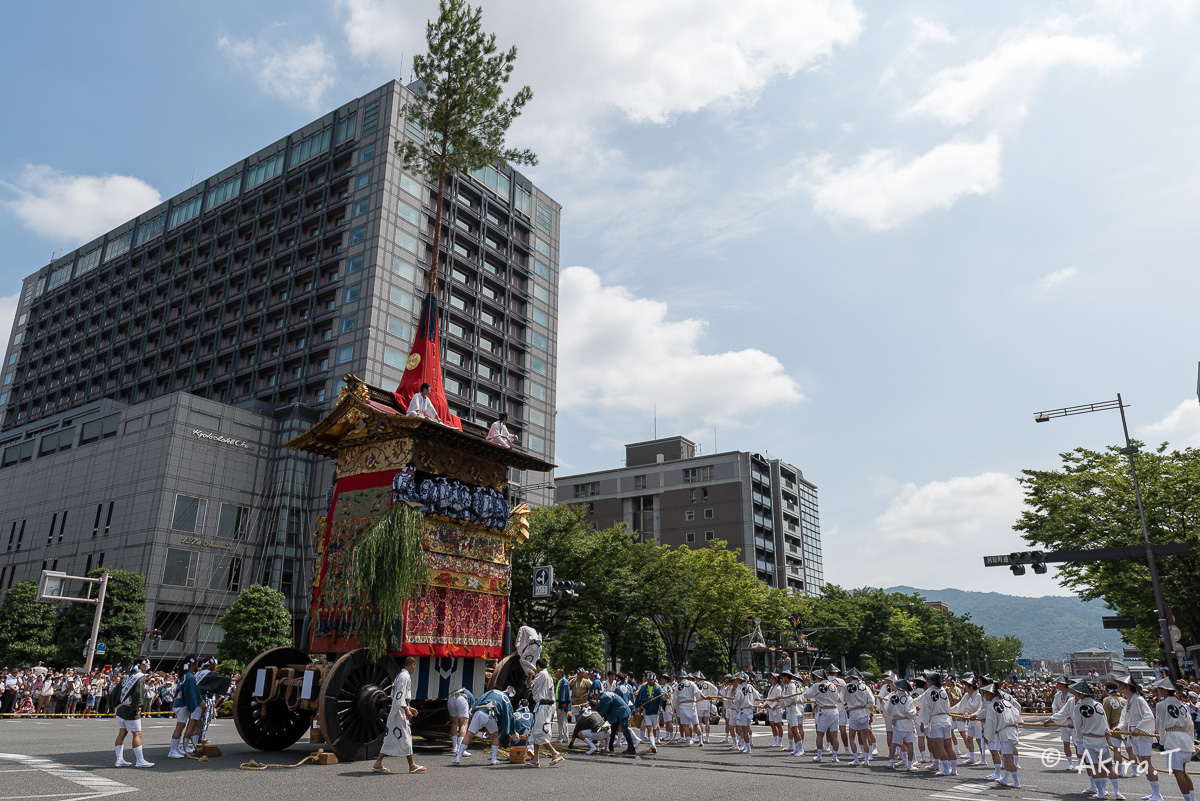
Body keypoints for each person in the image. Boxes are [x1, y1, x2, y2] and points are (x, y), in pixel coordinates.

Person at [372, 656, 425, 774]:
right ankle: (412, 765)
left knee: (391, 737)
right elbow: (399, 697)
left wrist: (409, 707)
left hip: (396, 711)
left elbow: (397, 697)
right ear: (413, 665)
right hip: (399, 713)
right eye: (414, 667)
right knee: (406, 736)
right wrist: (406, 710)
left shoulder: (400, 676)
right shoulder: (405, 677)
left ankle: (378, 763)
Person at [1113, 675, 1160, 800]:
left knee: (1146, 762)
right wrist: (1120, 727)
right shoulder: (1128, 701)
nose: (1118, 687)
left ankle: (1157, 794)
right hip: (1134, 732)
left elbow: (1149, 716)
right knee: (1143, 763)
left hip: (1141, 733)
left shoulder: (1139, 700)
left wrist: (1138, 728)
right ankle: (1154, 792)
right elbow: (1124, 718)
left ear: (1127, 686)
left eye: (1120, 685)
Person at [1152, 678, 1196, 801]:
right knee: (1183, 770)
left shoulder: (1161, 705)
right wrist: (1191, 741)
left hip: (1172, 737)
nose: (1158, 691)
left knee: (1178, 772)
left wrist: (1161, 741)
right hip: (1185, 737)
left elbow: (1160, 724)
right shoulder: (1181, 704)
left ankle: (1188, 799)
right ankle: (1192, 798)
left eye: (1160, 689)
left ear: (1165, 691)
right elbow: (1190, 724)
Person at [454, 688, 515, 766]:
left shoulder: (492, 691)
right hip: (491, 715)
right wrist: (511, 731)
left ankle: (458, 758)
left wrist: (473, 709)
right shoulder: (507, 700)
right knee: (495, 737)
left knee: (468, 735)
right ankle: (493, 759)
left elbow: (480, 699)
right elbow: (509, 717)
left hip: (479, 712)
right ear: (510, 696)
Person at [113, 658, 154, 768]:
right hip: (130, 709)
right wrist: (138, 706)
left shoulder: (127, 675)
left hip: (120, 708)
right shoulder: (139, 676)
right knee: (137, 734)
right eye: (146, 665)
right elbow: (138, 693)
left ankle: (119, 760)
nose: (147, 667)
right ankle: (140, 760)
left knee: (122, 733)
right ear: (141, 665)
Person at [979, 682, 1022, 788]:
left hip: (1004, 733)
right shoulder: (1006, 702)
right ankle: (1005, 778)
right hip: (1011, 730)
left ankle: (1016, 781)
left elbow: (990, 723)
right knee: (1007, 757)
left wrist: (987, 736)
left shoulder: (991, 705)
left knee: (1008, 757)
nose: (985, 696)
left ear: (990, 694)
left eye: (985, 693)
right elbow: (1016, 712)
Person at [527, 659, 564, 767]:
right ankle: (536, 759)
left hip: (544, 705)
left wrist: (530, 677)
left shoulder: (542, 675)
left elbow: (533, 688)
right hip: (544, 706)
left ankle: (554, 752)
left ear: (538, 666)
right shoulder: (547, 675)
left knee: (539, 732)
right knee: (535, 732)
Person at [802, 668, 841, 762]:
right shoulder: (832, 685)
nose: (815, 678)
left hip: (824, 711)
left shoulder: (817, 685)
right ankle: (835, 757)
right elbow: (837, 698)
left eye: (815, 677)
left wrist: (806, 685)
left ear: (819, 677)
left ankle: (819, 756)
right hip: (834, 711)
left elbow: (806, 694)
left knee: (820, 734)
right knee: (835, 735)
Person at [168, 657, 201, 759]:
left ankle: (176, 748)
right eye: (196, 663)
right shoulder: (189, 676)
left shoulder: (186, 675)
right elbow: (190, 693)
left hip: (180, 703)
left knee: (181, 726)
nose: (197, 664)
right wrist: (195, 705)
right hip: (181, 704)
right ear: (192, 664)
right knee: (180, 726)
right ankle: (172, 750)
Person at [844, 668, 877, 767]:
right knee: (865, 737)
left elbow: (843, 699)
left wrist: (851, 704)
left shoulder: (847, 687)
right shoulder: (865, 686)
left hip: (854, 713)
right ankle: (867, 759)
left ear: (850, 677)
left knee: (851, 737)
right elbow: (871, 701)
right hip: (864, 713)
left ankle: (855, 759)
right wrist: (864, 706)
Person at [592, 689, 637, 755]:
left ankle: (631, 747)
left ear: (598, 694)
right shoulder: (605, 695)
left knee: (625, 730)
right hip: (619, 712)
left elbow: (604, 711)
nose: (595, 697)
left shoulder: (604, 697)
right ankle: (610, 746)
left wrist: (596, 713)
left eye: (595, 696)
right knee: (613, 728)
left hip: (622, 712)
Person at [634, 672, 666, 754]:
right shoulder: (644, 687)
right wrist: (637, 707)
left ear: (654, 680)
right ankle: (653, 746)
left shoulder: (658, 688)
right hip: (647, 711)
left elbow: (662, 697)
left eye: (651, 680)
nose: (649, 681)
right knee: (650, 729)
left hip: (655, 712)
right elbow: (638, 698)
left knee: (654, 729)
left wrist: (665, 699)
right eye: (648, 679)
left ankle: (653, 744)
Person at [447, 687, 474, 759]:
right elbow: (471, 711)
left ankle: (454, 748)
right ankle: (460, 749)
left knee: (454, 723)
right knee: (464, 724)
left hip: (451, 697)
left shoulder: (458, 690)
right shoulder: (471, 696)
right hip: (462, 699)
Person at [554, 669, 572, 742]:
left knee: (563, 720)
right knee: (560, 720)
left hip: (562, 703)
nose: (555, 674)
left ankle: (563, 736)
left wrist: (564, 702)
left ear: (561, 674)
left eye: (556, 673)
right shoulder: (559, 681)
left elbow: (565, 692)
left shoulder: (564, 681)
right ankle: (561, 736)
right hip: (559, 702)